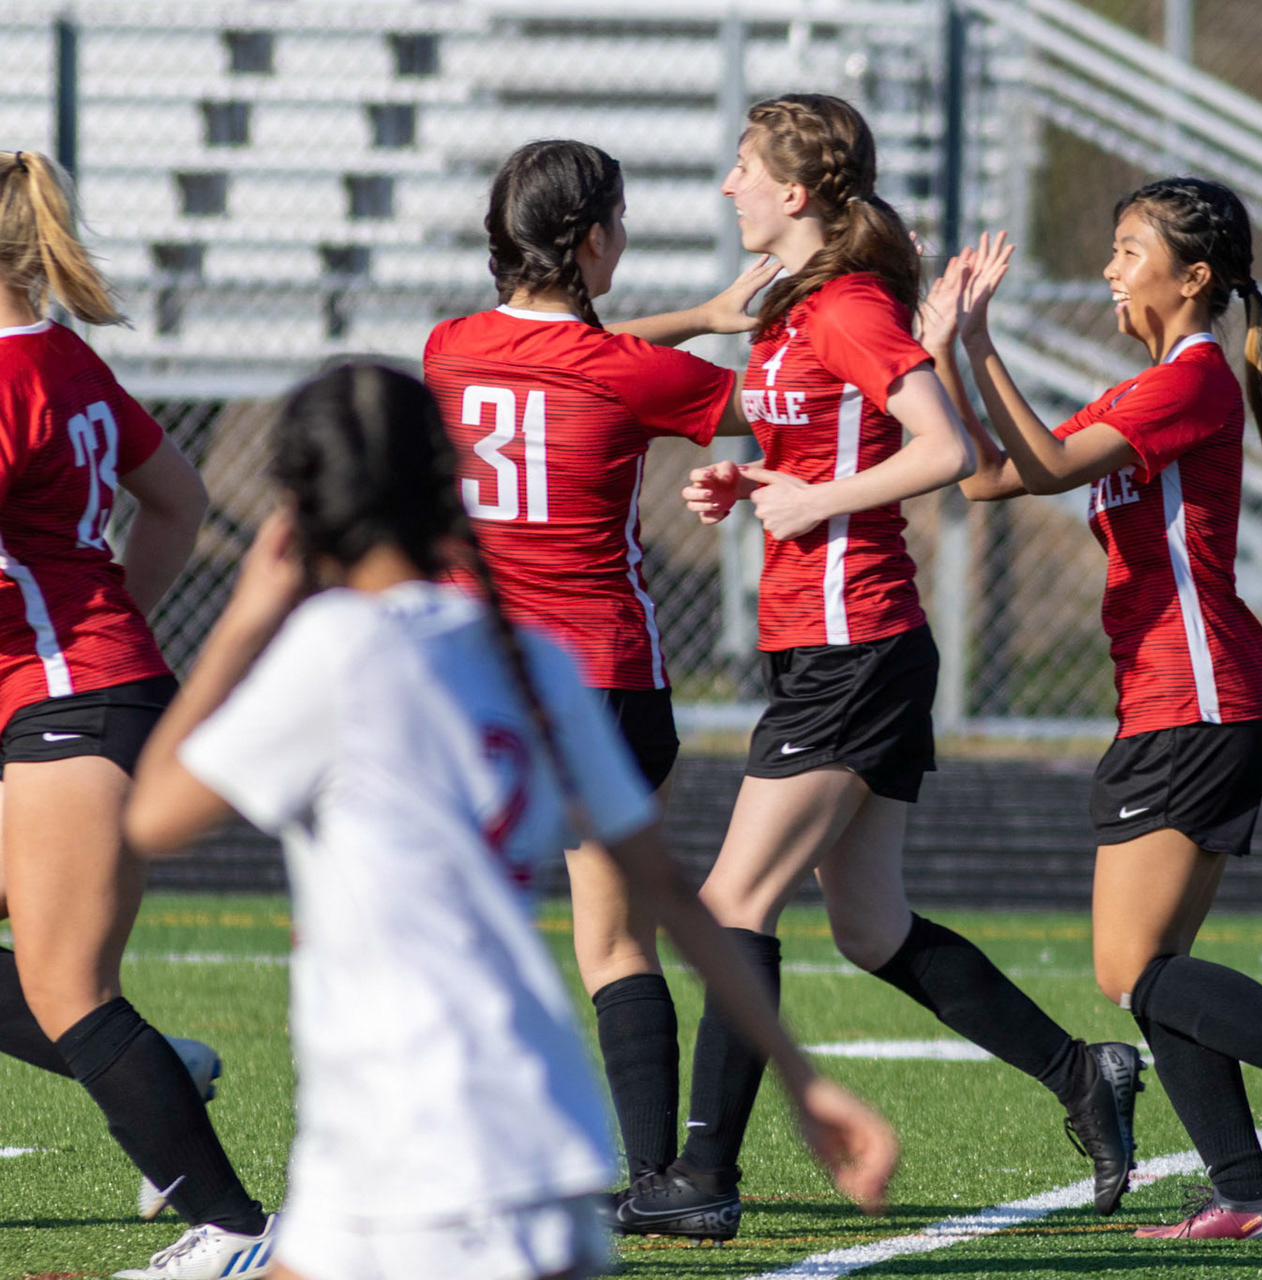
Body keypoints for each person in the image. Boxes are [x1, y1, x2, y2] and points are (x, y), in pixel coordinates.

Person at [122, 364, 898, 1280]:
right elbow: (667, 889)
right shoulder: (529, 659)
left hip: (430, 1123)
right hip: (467, 1114)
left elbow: (152, 816)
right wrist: (802, 1079)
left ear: (297, 508)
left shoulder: (332, 652)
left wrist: (247, 617)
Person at [662, 92, 1141, 1237]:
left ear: (797, 191)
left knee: (732, 901)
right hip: (825, 641)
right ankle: (1084, 1071)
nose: (728, 186)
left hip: (855, 642)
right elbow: (825, 447)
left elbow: (946, 446)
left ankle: (702, 1177)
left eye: (743, 167)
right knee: (871, 927)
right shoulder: (790, 309)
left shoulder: (846, 306)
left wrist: (816, 500)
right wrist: (753, 480)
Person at [929, 179, 1262, 1242]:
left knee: (1130, 971)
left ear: (1193, 277)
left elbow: (1046, 466)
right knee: (1158, 975)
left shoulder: (1192, 378)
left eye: (1129, 251)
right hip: (1191, 705)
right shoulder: (1148, 385)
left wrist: (979, 343)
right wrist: (951, 353)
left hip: (1195, 704)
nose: (1110, 270)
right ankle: (1245, 1192)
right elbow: (985, 477)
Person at [421, 138, 778, 1224]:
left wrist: (698, 317)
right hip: (606, 680)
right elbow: (771, 407)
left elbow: (565, 353)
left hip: (479, 685)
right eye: (616, 221)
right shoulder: (631, 373)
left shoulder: (446, 349)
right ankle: (661, 1178)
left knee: (461, 927)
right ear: (588, 239)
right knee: (616, 936)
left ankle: (463, 1158)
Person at [0, 150, 276, 1279]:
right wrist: (108, 628)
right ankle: (160, 1069)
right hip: (80, 688)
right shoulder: (60, 355)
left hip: (71, 705)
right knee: (72, 986)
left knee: (68, 985)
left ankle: (236, 1231)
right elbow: (177, 499)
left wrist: (84, 650)